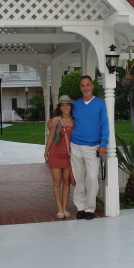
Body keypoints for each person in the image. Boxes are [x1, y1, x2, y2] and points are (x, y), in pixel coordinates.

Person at [49, 75, 109, 220]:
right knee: (79, 178)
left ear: (93, 86)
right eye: (83, 86)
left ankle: (90, 208)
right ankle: (80, 207)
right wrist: (52, 121)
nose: (85, 88)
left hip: (93, 147)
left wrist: (104, 143)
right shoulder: (75, 105)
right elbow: (64, 116)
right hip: (75, 146)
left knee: (92, 179)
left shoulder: (100, 104)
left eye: (88, 85)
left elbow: (105, 124)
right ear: (80, 88)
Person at [44, 95, 75, 219]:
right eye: (63, 105)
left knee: (66, 182)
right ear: (60, 107)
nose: (65, 107)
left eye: (67, 104)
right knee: (57, 181)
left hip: (68, 156)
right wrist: (46, 152)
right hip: (56, 155)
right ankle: (60, 209)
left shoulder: (75, 120)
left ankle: (65, 207)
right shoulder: (56, 120)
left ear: (70, 106)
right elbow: (51, 137)